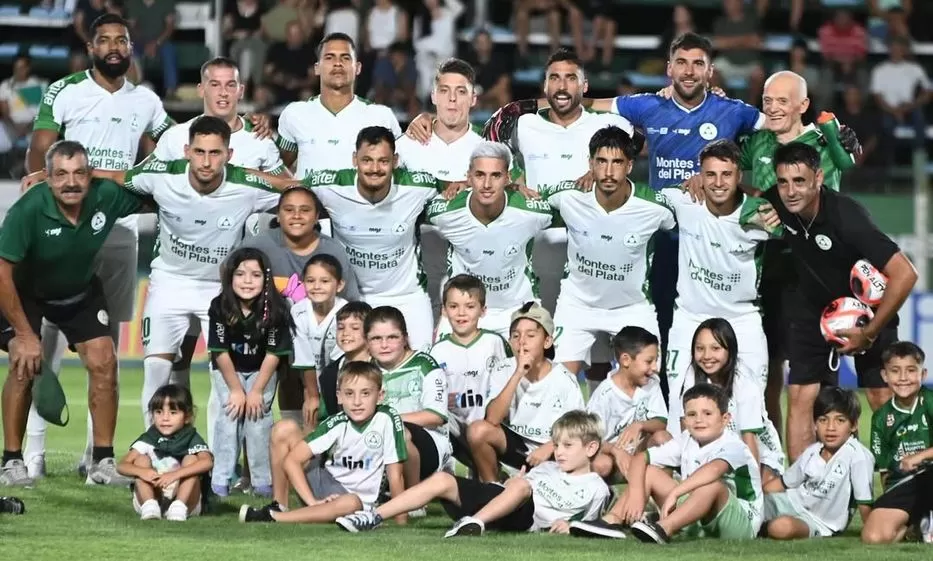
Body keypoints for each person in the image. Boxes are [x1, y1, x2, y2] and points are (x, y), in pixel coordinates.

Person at [22, 13, 173, 479]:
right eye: (104, 40)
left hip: (119, 232)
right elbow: (39, 152)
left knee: (103, 348)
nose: (113, 46)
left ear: (131, 47)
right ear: (90, 48)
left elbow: (173, 150)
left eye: (121, 40)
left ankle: (95, 456)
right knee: (44, 342)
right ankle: (33, 452)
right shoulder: (64, 90)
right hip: (67, 230)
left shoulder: (146, 100)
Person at [90, 116, 281, 448]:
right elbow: (117, 177)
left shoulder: (247, 184)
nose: (207, 162)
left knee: (226, 378)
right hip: (169, 283)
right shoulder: (162, 176)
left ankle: (222, 462)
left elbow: (296, 189)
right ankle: (154, 450)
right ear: (185, 151)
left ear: (229, 154)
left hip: (221, 291)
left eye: (215, 153)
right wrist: (59, 175)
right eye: (199, 152)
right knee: (155, 372)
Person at [757, 143, 918, 461]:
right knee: (801, 393)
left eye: (799, 181)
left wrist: (870, 332)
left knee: (880, 395)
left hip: (867, 312)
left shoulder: (846, 216)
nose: (790, 191)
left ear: (818, 178)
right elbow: (740, 193)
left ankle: (904, 486)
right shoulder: (776, 201)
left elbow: (905, 274)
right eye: (783, 181)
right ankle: (803, 494)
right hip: (812, 306)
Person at [0, 140, 148, 486]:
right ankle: (10, 462)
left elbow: (154, 194)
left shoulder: (106, 196)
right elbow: (2, 272)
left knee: (104, 362)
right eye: (61, 174)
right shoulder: (28, 210)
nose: (71, 182)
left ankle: (102, 463)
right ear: (47, 178)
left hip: (79, 291)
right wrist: (23, 334)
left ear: (90, 175)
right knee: (24, 364)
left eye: (80, 173)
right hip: (26, 295)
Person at [723, 70, 859, 434]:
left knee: (817, 382)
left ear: (803, 105)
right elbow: (725, 164)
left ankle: (830, 467)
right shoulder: (758, 143)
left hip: (818, 270)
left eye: (783, 101)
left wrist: (846, 140)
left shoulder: (826, 142)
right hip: (770, 270)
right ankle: (775, 464)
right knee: (767, 372)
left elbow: (849, 161)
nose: (773, 108)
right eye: (768, 101)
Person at [151, 55, 287, 411]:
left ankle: (220, 454)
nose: (223, 93)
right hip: (177, 270)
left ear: (241, 90)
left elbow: (287, 192)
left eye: (231, 85)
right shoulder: (174, 138)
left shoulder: (260, 141)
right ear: (201, 89)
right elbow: (145, 184)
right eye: (215, 84)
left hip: (228, 277)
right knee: (175, 361)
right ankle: (173, 446)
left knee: (226, 367)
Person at [255, 126, 444, 351]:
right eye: (367, 160)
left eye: (383, 161)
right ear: (355, 159)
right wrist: (228, 171)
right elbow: (287, 186)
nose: (374, 169)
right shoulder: (330, 184)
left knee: (417, 367)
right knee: (355, 376)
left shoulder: (418, 186)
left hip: (408, 296)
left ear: (395, 161)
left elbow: (453, 188)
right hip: (354, 298)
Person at [335, 410, 611, 536]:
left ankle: (473, 524)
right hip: (502, 502)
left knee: (520, 489)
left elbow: (588, 523)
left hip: (525, 519)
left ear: (591, 448)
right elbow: (515, 488)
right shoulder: (548, 467)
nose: (558, 452)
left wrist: (568, 526)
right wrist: (517, 481)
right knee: (444, 480)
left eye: (567, 446)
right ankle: (372, 517)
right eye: (557, 445)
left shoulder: (596, 487)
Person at [540, 126, 674, 386]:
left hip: (631, 308)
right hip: (577, 305)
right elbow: (528, 201)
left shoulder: (656, 207)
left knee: (649, 384)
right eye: (601, 162)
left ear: (630, 166)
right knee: (556, 387)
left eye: (617, 162)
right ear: (590, 164)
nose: (609, 172)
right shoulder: (568, 196)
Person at [570, 383, 763, 543]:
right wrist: (637, 495)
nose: (699, 420)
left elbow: (712, 470)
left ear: (725, 419)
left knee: (712, 486)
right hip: (698, 515)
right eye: (692, 414)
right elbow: (640, 458)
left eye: (707, 414)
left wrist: (675, 493)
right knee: (651, 472)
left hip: (741, 524)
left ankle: (663, 528)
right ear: (684, 420)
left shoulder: (734, 445)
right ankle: (612, 521)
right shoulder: (687, 438)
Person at [664, 140, 775, 390]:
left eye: (726, 175)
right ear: (699, 176)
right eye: (710, 175)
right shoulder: (683, 200)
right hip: (690, 316)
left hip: (742, 318)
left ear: (739, 176)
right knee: (678, 401)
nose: (718, 183)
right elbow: (633, 197)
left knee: (752, 404)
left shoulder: (762, 214)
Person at [238, 361, 407, 524]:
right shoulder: (337, 422)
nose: (357, 402)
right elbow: (292, 461)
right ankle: (279, 508)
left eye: (365, 393)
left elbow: (396, 475)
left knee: (351, 502)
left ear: (380, 396)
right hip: (324, 486)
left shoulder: (387, 419)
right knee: (283, 428)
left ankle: (274, 517)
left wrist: (401, 523)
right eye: (349, 393)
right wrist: (313, 501)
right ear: (339, 397)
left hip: (356, 502)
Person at [425, 142, 553, 336]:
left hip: (518, 310)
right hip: (464, 311)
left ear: (508, 178)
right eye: (479, 175)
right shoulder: (444, 212)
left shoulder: (532, 212)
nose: (486, 184)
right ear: (468, 177)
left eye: (496, 175)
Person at [466, 302, 585, 483]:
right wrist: (518, 373)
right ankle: (493, 489)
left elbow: (578, 429)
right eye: (516, 336)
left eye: (530, 335)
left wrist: (551, 447)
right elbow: (492, 420)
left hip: (552, 450)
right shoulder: (503, 369)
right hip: (516, 445)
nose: (522, 341)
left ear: (547, 341)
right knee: (477, 431)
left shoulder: (565, 380)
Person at [207, 247, 292, 497]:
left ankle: (263, 482)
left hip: (261, 370)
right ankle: (220, 480)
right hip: (228, 370)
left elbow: (274, 354)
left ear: (266, 279)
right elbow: (220, 351)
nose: (247, 281)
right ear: (229, 277)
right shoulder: (220, 305)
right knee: (229, 416)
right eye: (241, 274)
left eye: (255, 275)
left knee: (257, 419)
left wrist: (255, 391)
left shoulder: (276, 308)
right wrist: (235, 390)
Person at [668, 319, 784, 484]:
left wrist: (752, 490)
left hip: (755, 452)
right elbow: (687, 432)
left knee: (762, 486)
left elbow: (749, 440)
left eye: (715, 348)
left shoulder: (745, 381)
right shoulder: (690, 377)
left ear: (730, 350)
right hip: (712, 451)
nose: (707, 356)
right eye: (700, 349)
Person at [276, 32, 402, 180]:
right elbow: (277, 168)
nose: (338, 63)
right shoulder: (294, 114)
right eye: (329, 57)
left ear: (358, 68)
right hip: (310, 202)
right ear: (316, 68)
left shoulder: (381, 116)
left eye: (345, 58)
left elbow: (398, 169)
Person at [763, 387, 873, 540]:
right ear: (815, 424)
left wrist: (872, 533)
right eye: (823, 420)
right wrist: (756, 495)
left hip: (818, 522)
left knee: (781, 527)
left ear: (853, 425)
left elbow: (864, 502)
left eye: (840, 420)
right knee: (752, 505)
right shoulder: (813, 451)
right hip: (791, 503)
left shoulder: (858, 456)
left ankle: (760, 526)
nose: (830, 428)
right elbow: (782, 483)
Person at [430, 275, 511, 469]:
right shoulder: (437, 351)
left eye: (470, 306)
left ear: (483, 311)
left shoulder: (495, 343)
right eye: (454, 306)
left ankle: (493, 470)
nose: (461, 313)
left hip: (491, 427)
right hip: (456, 431)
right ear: (444, 310)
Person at [365, 306, 450, 487]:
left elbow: (435, 416)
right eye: (376, 338)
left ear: (405, 338)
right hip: (378, 441)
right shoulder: (364, 371)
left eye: (392, 337)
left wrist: (390, 420)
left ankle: (414, 495)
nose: (384, 345)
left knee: (400, 435)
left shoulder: (424, 364)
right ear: (367, 342)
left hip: (428, 443)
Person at [862, 341, 933, 544]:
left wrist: (919, 456)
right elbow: (885, 470)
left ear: (923, 374)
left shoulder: (929, 401)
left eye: (911, 370)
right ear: (885, 376)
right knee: (873, 538)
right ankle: (917, 525)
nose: (903, 378)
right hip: (904, 483)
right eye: (895, 371)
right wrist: (889, 501)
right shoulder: (881, 418)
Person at [116, 384, 213, 521]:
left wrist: (175, 475)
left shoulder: (191, 437)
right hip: (154, 492)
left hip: (186, 498)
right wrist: (142, 472)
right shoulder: (149, 438)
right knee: (141, 460)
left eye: (173, 413)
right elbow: (122, 465)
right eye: (159, 412)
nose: (165, 418)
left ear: (187, 416)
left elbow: (207, 462)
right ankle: (150, 506)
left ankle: (179, 507)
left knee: (191, 460)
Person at [586, 326, 669, 480]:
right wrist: (617, 452)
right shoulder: (603, 396)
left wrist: (640, 425)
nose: (655, 368)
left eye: (655, 360)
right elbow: (590, 439)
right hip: (612, 454)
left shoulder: (652, 384)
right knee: (601, 464)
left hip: (640, 452)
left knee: (663, 439)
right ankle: (606, 495)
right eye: (649, 361)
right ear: (626, 360)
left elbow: (661, 422)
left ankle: (663, 492)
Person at [291, 254, 349, 429]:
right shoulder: (298, 312)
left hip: (340, 382)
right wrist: (312, 395)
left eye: (325, 281)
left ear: (339, 285)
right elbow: (304, 360)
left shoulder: (346, 313)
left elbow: (342, 362)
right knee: (311, 426)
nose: (317, 287)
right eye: (310, 281)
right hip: (310, 384)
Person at [316, 302, 373, 421]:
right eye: (341, 327)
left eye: (355, 328)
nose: (346, 333)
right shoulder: (329, 373)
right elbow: (325, 415)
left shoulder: (381, 367)